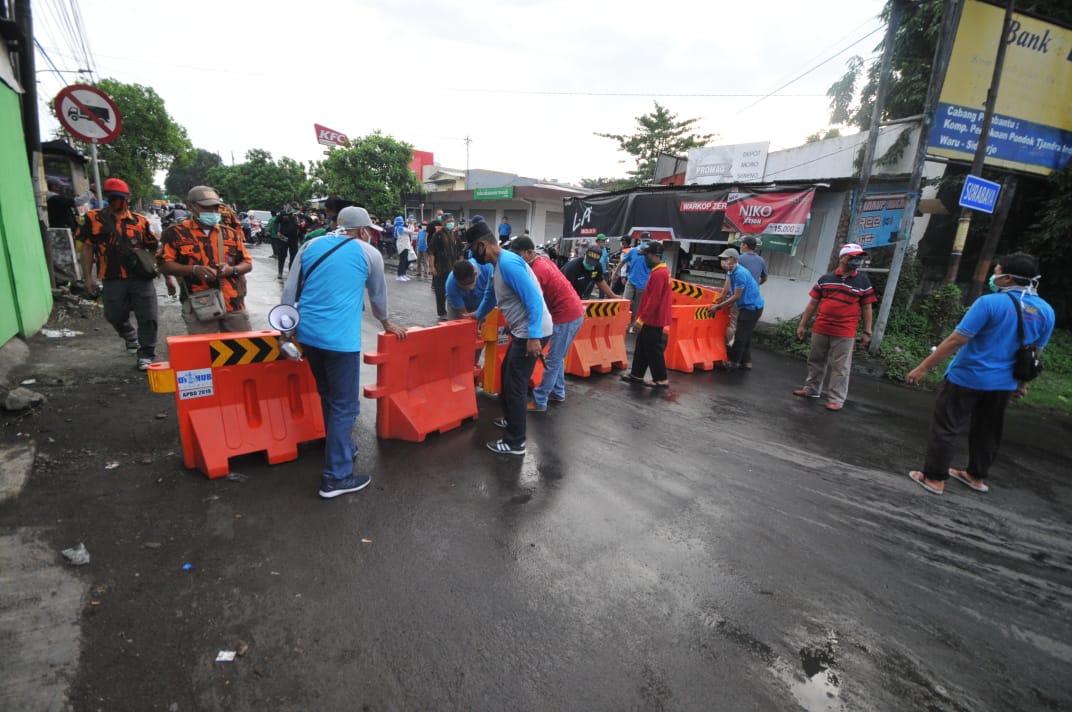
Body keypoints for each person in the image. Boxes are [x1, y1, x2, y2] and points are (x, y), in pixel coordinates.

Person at [281, 206, 408, 499]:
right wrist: (386, 322)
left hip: (308, 336)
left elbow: (290, 291)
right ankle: (336, 477)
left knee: (329, 397)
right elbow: (378, 295)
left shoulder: (310, 245)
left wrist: (286, 331)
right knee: (346, 406)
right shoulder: (368, 253)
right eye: (369, 231)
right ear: (363, 230)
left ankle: (342, 447)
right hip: (340, 341)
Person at [905, 253, 1055, 496]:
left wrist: (923, 367)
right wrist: (1022, 383)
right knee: (988, 430)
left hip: (968, 377)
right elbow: (1034, 352)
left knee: (947, 426)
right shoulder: (1046, 311)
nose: (993, 277)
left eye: (997, 272)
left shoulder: (989, 303)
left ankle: (934, 478)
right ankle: (975, 476)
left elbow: (957, 340)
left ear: (1007, 278)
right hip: (1004, 384)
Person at [468, 221, 552, 455]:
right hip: (525, 332)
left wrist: (534, 336)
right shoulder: (500, 265)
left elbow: (534, 299)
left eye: (474, 248)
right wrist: (477, 315)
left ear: (483, 244)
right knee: (508, 376)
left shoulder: (508, 264)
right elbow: (490, 296)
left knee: (514, 385)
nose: (473, 254)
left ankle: (515, 442)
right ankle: (512, 420)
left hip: (531, 332)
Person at [78, 177, 159, 370]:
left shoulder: (141, 222)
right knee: (114, 315)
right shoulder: (93, 218)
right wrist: (88, 277)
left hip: (141, 277)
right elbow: (87, 249)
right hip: (111, 277)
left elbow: (154, 250)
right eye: (113, 198)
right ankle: (130, 336)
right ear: (107, 197)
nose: (117, 203)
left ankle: (146, 353)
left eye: (121, 198)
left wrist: (169, 278)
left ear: (128, 198)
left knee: (148, 317)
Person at [792, 243, 876, 411]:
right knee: (815, 360)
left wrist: (867, 331)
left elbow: (867, 308)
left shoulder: (863, 282)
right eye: (854, 257)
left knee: (841, 367)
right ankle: (811, 389)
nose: (857, 261)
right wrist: (802, 324)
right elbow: (812, 303)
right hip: (821, 327)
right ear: (843, 258)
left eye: (859, 258)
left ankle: (836, 399)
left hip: (845, 331)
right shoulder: (826, 279)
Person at [160, 185, 253, 334]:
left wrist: (232, 270)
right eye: (207, 208)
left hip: (233, 302)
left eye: (216, 208)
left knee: (242, 349)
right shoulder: (175, 233)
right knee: (204, 352)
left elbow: (247, 263)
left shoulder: (229, 234)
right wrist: (193, 270)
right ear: (190, 206)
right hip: (199, 303)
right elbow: (163, 265)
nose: (213, 212)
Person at [510, 236, 585, 411]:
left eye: (518, 255)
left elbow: (533, 303)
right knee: (556, 358)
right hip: (571, 312)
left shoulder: (537, 270)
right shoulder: (542, 261)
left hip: (566, 315)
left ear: (529, 253)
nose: (516, 259)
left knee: (552, 360)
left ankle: (539, 401)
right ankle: (558, 393)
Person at [621, 241, 671, 388]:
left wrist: (641, 320)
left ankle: (661, 378)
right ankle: (636, 374)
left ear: (656, 256)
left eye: (647, 256)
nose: (645, 259)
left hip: (653, 319)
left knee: (653, 348)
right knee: (642, 345)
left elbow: (653, 300)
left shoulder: (659, 274)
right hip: (652, 317)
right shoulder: (660, 272)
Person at [709, 247, 764, 371]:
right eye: (722, 259)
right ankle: (747, 362)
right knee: (746, 334)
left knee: (739, 335)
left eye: (725, 259)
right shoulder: (731, 270)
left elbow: (737, 295)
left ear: (733, 259)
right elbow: (728, 284)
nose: (722, 261)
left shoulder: (740, 273)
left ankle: (733, 362)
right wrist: (722, 297)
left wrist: (719, 306)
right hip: (746, 306)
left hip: (752, 308)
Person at [611, 232, 652, 331]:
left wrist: (615, 273)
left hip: (640, 283)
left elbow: (622, 262)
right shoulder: (635, 251)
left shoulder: (639, 251)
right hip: (634, 281)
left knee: (628, 303)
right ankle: (625, 324)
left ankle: (629, 325)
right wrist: (616, 273)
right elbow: (623, 262)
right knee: (631, 304)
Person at [428, 214, 462, 320]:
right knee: (441, 291)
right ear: (443, 223)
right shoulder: (437, 235)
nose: (452, 223)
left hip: (453, 268)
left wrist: (461, 262)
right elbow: (431, 252)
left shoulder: (455, 235)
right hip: (440, 268)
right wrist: (432, 266)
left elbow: (460, 250)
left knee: (454, 289)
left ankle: (455, 310)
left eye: (452, 220)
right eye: (449, 221)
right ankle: (442, 312)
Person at [275, 202, 305, 279]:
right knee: (282, 255)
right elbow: (276, 222)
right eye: (294, 207)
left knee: (293, 256)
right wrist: (277, 232)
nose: (295, 209)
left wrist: (300, 222)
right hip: (283, 238)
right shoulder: (283, 213)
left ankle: (291, 273)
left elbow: (303, 226)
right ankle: (280, 272)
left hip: (294, 239)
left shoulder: (300, 215)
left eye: (297, 208)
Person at [394, 216, 413, 281]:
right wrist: (411, 224)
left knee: (404, 261)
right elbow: (411, 231)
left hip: (403, 246)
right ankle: (400, 275)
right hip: (403, 247)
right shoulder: (401, 228)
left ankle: (403, 274)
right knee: (402, 261)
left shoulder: (398, 228)